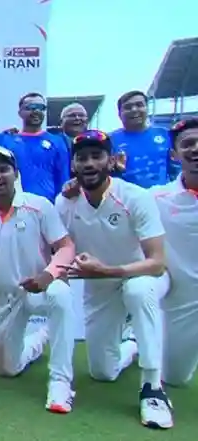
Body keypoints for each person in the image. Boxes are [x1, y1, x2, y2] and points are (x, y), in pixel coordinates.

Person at [55, 130, 173, 429]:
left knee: (137, 291)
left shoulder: (135, 197)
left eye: (97, 156)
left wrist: (106, 270)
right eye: (82, 158)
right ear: (73, 165)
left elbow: (157, 263)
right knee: (103, 373)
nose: (89, 163)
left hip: (142, 275)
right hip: (100, 286)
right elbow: (61, 250)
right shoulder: (65, 203)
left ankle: (153, 389)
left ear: (111, 161)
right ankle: (132, 343)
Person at [0, 147, 77, 413]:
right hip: (6, 298)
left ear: (16, 173)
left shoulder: (39, 206)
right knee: (5, 369)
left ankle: (60, 381)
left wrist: (48, 275)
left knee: (60, 295)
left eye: (4, 170)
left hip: (42, 288)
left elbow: (66, 247)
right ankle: (39, 340)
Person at [151, 118, 198, 387]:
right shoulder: (157, 197)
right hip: (185, 300)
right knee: (175, 378)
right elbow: (117, 198)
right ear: (174, 155)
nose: (196, 148)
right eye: (188, 144)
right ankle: (135, 341)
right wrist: (75, 190)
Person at [0, 92, 70, 202]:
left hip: (48, 206)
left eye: (41, 108)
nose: (36, 111)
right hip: (15, 205)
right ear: (20, 113)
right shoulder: (5, 140)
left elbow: (63, 179)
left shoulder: (57, 142)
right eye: (31, 107)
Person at [110, 90, 178, 188]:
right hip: (124, 196)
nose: (134, 110)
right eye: (128, 107)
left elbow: (177, 170)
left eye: (139, 105)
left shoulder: (166, 135)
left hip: (162, 195)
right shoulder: (109, 140)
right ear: (119, 114)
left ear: (147, 109)